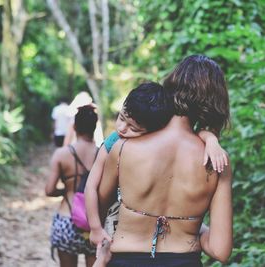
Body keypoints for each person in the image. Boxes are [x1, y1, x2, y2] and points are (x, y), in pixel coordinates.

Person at [98, 55, 232, 266]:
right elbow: (220, 250)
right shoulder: (217, 162)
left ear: (171, 86)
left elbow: (99, 205)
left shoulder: (124, 148)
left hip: (125, 258)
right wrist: (190, 224)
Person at [46, 105, 99, 267]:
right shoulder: (102, 154)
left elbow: (49, 190)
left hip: (66, 221)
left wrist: (68, 190)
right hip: (94, 223)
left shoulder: (62, 154)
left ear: (74, 126)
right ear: (95, 127)